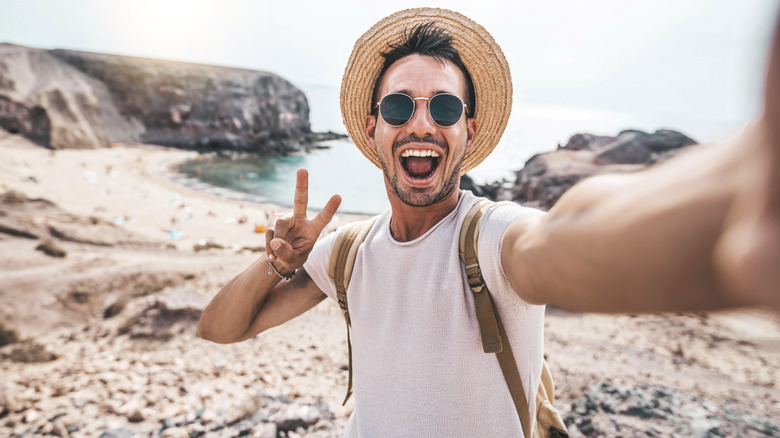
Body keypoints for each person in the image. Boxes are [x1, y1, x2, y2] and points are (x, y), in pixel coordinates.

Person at [198, 7, 780, 437]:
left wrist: (745, 190)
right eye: (399, 106)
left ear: (468, 132)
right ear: (373, 129)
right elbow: (220, 329)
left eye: (445, 107)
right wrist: (275, 262)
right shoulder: (347, 252)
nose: (421, 123)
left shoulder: (494, 238)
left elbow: (564, 238)